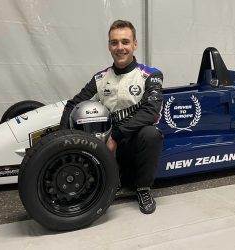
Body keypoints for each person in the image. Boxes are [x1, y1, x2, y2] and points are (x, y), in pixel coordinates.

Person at [60, 20, 163, 214]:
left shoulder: (150, 75)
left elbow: (151, 112)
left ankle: (143, 188)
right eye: (114, 42)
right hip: (105, 144)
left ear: (135, 44)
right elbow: (72, 104)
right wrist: (61, 141)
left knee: (151, 134)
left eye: (125, 42)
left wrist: (116, 136)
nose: (120, 47)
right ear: (109, 46)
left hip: (132, 141)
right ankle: (110, 182)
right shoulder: (100, 78)